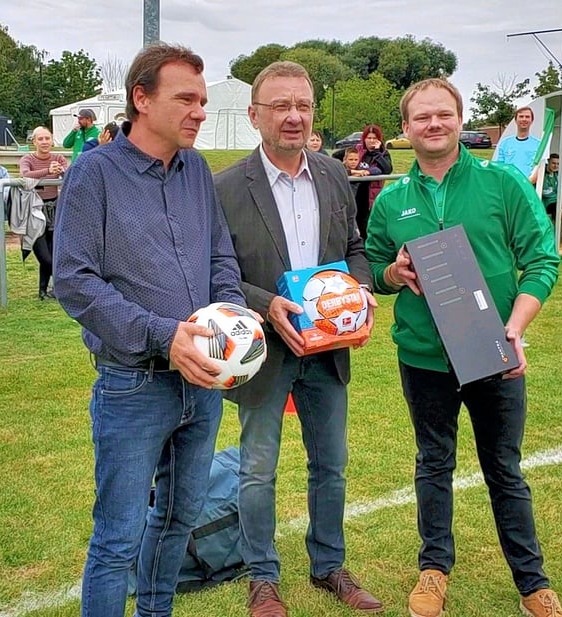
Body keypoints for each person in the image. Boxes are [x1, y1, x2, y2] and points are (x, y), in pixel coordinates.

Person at [52, 43, 247, 617]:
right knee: (117, 538)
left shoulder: (196, 170)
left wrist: (232, 316)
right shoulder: (94, 173)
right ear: (141, 98)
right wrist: (165, 335)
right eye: (186, 99)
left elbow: (220, 256)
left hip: (203, 381)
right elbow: (74, 281)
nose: (200, 112)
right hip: (133, 385)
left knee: (178, 519)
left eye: (202, 100)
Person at [363, 78, 562, 617]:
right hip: (424, 357)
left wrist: (515, 327)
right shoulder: (392, 200)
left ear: (460, 120)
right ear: (406, 128)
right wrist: (392, 272)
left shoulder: (503, 184)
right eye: (422, 117)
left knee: (504, 469)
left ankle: (533, 585)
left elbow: (542, 260)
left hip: (493, 352)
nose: (433, 124)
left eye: (443, 114)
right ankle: (433, 569)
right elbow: (375, 270)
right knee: (434, 463)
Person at [214, 60, 383, 617]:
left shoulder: (334, 174)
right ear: (254, 115)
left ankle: (329, 565)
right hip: (265, 349)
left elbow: (354, 246)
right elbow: (215, 272)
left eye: (303, 106)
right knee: (257, 469)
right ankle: (262, 578)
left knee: (330, 464)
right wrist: (266, 304)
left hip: (327, 351)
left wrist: (358, 291)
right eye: (281, 106)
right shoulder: (225, 187)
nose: (294, 116)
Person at [19, 127, 69, 299]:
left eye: (47, 138)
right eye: (40, 139)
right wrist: (48, 171)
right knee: (45, 256)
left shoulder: (59, 158)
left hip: (54, 209)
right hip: (34, 210)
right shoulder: (27, 159)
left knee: (53, 252)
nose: (44, 142)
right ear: (34, 142)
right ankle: (61, 286)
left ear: (52, 140)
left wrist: (61, 171)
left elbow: (69, 173)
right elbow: (26, 175)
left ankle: (43, 291)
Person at [334, 125, 393, 238]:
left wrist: (376, 153)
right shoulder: (357, 149)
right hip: (353, 192)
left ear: (379, 140)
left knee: (367, 225)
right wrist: (350, 170)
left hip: (370, 195)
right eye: (369, 138)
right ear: (364, 139)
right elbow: (336, 156)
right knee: (352, 222)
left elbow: (387, 170)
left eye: (374, 138)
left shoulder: (383, 153)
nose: (371, 141)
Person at [495, 106, 542, 181]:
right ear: (515, 120)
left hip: (528, 185)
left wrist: (527, 183)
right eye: (521, 116)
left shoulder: (539, 144)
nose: (524, 119)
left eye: (527, 117)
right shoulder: (505, 143)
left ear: (532, 120)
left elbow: (540, 168)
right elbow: (499, 167)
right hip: (509, 184)